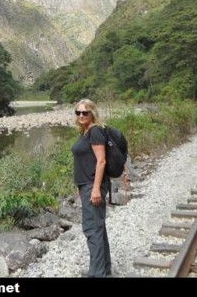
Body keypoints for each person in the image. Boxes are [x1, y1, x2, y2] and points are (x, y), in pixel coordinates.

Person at [71, 98, 111, 277]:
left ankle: (97, 273)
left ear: (92, 113)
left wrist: (95, 189)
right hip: (86, 186)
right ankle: (104, 270)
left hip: (92, 186)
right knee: (98, 229)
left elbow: (101, 161)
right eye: (78, 112)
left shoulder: (94, 132)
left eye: (84, 112)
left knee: (91, 230)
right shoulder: (85, 132)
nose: (81, 115)